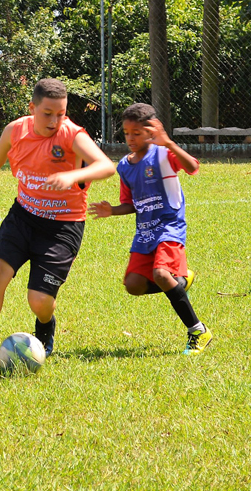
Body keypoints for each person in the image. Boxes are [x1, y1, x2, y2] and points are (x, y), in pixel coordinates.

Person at [0, 78, 115, 376]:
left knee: (39, 301)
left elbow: (106, 166)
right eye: (47, 113)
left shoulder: (73, 135)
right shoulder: (16, 130)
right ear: (32, 108)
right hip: (23, 217)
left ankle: (46, 323)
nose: (55, 120)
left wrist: (74, 174)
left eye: (61, 113)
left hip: (63, 226)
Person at [88, 103, 211, 356]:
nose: (131, 138)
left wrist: (169, 143)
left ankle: (198, 330)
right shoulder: (125, 166)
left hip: (169, 225)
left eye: (137, 133)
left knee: (160, 274)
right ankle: (180, 281)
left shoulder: (163, 155)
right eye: (126, 133)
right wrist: (112, 210)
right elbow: (131, 204)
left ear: (151, 131)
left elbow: (192, 167)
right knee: (133, 285)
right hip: (145, 232)